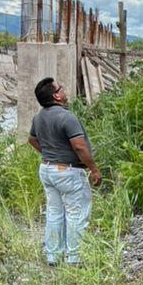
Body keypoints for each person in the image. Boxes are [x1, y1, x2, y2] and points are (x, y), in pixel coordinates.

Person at [27, 77, 101, 266]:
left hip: (47, 169)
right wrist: (93, 169)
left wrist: (49, 153)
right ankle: (74, 259)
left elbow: (32, 140)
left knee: (54, 213)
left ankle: (53, 256)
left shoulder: (39, 117)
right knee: (76, 213)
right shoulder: (67, 117)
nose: (64, 89)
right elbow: (79, 147)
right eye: (60, 87)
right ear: (56, 95)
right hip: (68, 172)